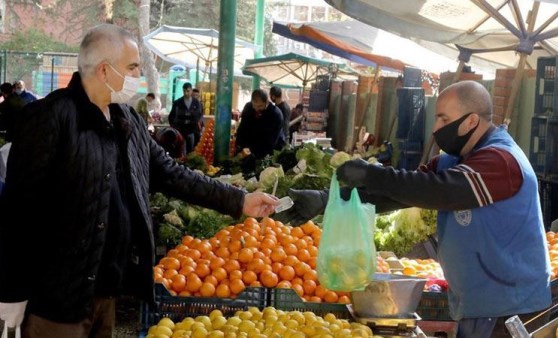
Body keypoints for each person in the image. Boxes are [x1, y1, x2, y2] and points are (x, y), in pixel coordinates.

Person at [0, 23, 279, 338]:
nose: (138, 76)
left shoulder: (127, 120)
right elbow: (18, 213)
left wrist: (239, 200)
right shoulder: (50, 118)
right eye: (132, 67)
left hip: (106, 289)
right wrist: (12, 293)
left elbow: (172, 173)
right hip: (56, 299)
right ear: (105, 71)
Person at [277, 80, 551, 338]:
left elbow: (439, 190)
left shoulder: (501, 160)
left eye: (444, 119)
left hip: (509, 309)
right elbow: (405, 192)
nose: (435, 128)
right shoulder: (455, 159)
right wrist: (330, 199)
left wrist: (371, 174)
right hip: (479, 304)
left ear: (471, 121)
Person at [235, 89, 286, 159]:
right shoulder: (248, 107)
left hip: (272, 149)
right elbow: (242, 128)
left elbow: (270, 140)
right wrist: (239, 146)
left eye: (260, 106)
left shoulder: (276, 114)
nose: (256, 109)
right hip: (251, 148)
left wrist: (252, 150)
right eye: (254, 105)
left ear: (267, 102)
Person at [168, 82, 203, 155]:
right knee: (179, 150)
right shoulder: (177, 103)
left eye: (188, 91)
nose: (186, 93)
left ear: (191, 91)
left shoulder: (197, 103)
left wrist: (199, 126)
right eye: (184, 91)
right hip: (180, 130)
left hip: (192, 130)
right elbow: (171, 116)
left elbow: (199, 116)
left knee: (191, 150)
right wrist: (174, 126)